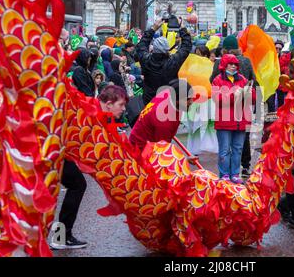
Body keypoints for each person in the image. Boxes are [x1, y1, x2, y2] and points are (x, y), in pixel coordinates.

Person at [50, 85, 128, 250]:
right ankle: (59, 238)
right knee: (76, 186)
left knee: (76, 186)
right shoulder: (89, 110)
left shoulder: (96, 112)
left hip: (59, 150)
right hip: (55, 150)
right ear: (108, 103)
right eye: (120, 104)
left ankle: (59, 237)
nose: (123, 109)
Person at [210, 35, 256, 178]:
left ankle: (235, 173)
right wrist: (236, 95)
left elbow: (253, 96)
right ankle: (227, 173)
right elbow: (217, 97)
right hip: (225, 120)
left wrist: (249, 92)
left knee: (237, 148)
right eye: (230, 64)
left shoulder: (241, 79)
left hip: (240, 120)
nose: (233, 67)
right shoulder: (219, 80)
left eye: (235, 65)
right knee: (226, 149)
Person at [129, 79, 195, 154]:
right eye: (188, 99)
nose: (191, 102)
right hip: (141, 151)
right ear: (176, 100)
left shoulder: (168, 93)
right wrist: (183, 159)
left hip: (147, 140)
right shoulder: (164, 120)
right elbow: (162, 152)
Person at [136, 18, 192, 105]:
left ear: (153, 48)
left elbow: (141, 45)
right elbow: (186, 47)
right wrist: (182, 28)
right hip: (167, 102)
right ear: (167, 49)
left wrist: (153, 28)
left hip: (149, 101)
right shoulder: (173, 62)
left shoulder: (146, 60)